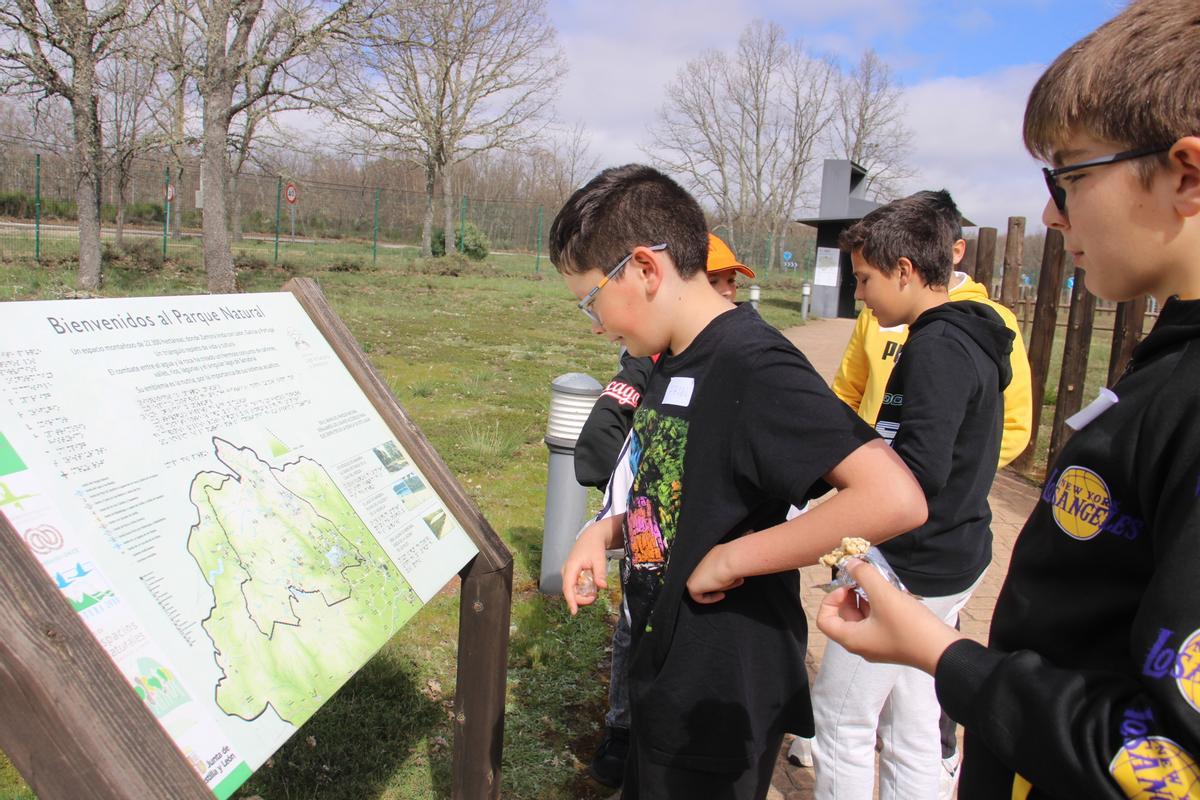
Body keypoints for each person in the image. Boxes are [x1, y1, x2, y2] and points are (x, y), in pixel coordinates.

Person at [817, 2, 1200, 797]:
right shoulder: (1167, 360)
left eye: (1069, 176)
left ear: (1186, 175)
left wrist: (944, 654)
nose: (1054, 213)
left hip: (922, 565)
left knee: (853, 725)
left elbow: (1170, 762)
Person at [553, 163, 928, 799]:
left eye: (592, 300)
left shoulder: (753, 365)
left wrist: (732, 559)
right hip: (665, 674)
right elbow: (680, 488)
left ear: (644, 269)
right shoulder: (671, 358)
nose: (595, 323)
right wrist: (606, 531)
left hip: (717, 693)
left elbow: (893, 498)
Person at [797, 191, 1035, 796]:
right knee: (914, 721)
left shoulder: (937, 347)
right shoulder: (961, 336)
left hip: (911, 564)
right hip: (951, 554)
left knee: (842, 719)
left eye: (865, 279)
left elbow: (915, 474)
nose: (860, 295)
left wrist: (839, 523)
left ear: (904, 270)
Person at [575, 231, 754, 787]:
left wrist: (732, 556)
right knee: (634, 632)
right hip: (646, 548)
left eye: (731, 283)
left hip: (706, 596)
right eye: (716, 280)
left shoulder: (747, 360)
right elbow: (601, 436)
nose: (726, 292)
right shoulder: (651, 361)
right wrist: (619, 511)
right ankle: (622, 730)